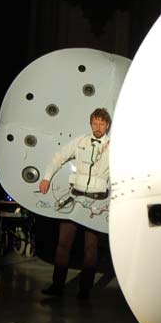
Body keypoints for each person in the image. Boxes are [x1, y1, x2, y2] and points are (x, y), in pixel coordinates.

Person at [38, 108, 111, 301]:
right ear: (91, 124)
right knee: (63, 243)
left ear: (107, 126)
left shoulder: (113, 147)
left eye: (102, 123)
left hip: (96, 202)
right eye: (95, 123)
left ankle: (84, 291)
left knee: (90, 248)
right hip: (75, 198)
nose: (98, 127)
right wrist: (46, 178)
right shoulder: (81, 141)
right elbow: (60, 156)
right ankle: (57, 286)